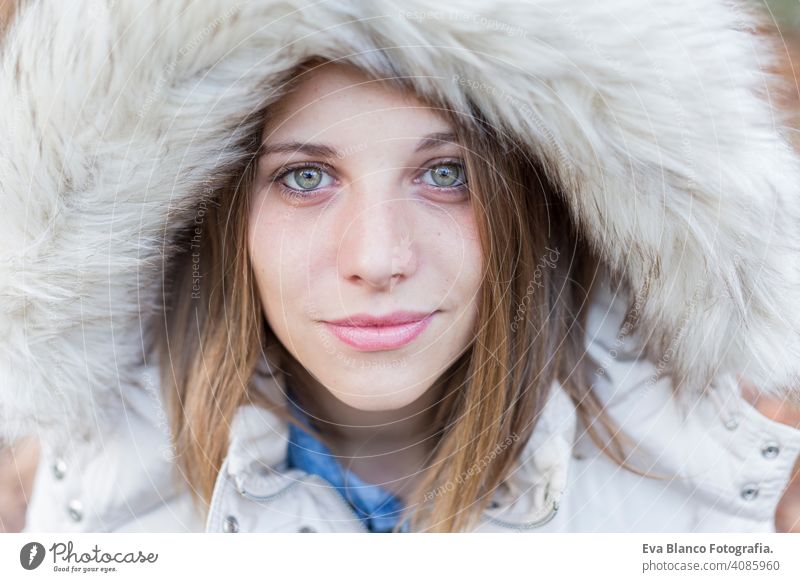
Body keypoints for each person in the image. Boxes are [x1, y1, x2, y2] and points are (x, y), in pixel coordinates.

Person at [2, 0, 800, 533]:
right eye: (304, 177)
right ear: (215, 217)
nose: (378, 258)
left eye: (447, 173)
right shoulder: (79, 498)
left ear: (543, 199)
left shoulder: (738, 486)